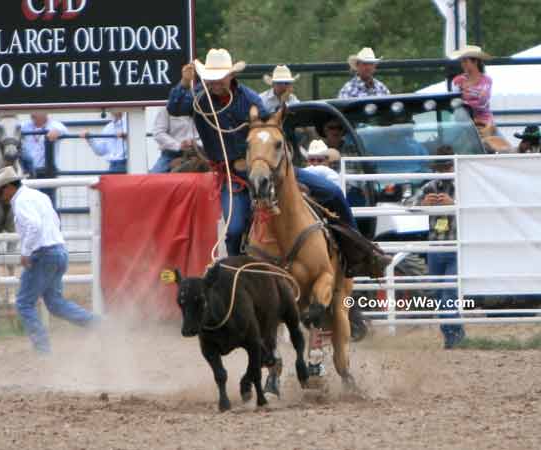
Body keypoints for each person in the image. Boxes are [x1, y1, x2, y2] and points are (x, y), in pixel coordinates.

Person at [167, 48, 358, 256]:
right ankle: (237, 272)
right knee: (234, 230)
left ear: (231, 76)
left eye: (220, 78)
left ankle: (356, 250)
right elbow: (174, 108)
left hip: (268, 168)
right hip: (233, 177)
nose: (215, 83)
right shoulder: (199, 101)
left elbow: (270, 126)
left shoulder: (249, 98)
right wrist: (184, 84)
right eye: (211, 79)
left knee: (333, 192)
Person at [0, 166, 98, 354]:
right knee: (55, 303)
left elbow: (34, 226)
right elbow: (54, 222)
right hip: (58, 251)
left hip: (43, 254)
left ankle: (42, 349)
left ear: (8, 187)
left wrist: (26, 252)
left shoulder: (21, 201)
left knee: (24, 303)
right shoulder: (39, 196)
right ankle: (100, 325)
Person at [405, 145, 465, 349]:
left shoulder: (464, 185)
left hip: (456, 246)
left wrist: (455, 203)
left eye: (446, 167)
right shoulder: (431, 186)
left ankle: (454, 334)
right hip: (436, 247)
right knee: (440, 294)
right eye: (440, 168)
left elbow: (476, 208)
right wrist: (423, 202)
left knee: (448, 292)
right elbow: (408, 204)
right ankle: (452, 335)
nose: (443, 171)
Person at [21, 113, 68, 205]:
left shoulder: (54, 125)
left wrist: (57, 131)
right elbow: (11, 129)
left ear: (45, 112)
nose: (32, 114)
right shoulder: (24, 126)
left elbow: (63, 130)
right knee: (29, 203)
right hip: (28, 173)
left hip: (46, 172)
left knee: (48, 203)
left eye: (35, 111)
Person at [450, 45, 494, 133]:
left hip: (484, 121)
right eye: (462, 61)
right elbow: (455, 103)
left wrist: (465, 101)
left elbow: (483, 103)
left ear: (475, 61)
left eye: (465, 61)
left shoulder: (486, 80)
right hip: (463, 121)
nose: (463, 64)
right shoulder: (457, 81)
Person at [150, 107, 203, 173]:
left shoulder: (201, 109)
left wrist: (196, 143)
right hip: (171, 154)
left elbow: (207, 133)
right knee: (154, 176)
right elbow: (158, 133)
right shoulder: (165, 109)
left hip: (198, 153)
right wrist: (179, 145)